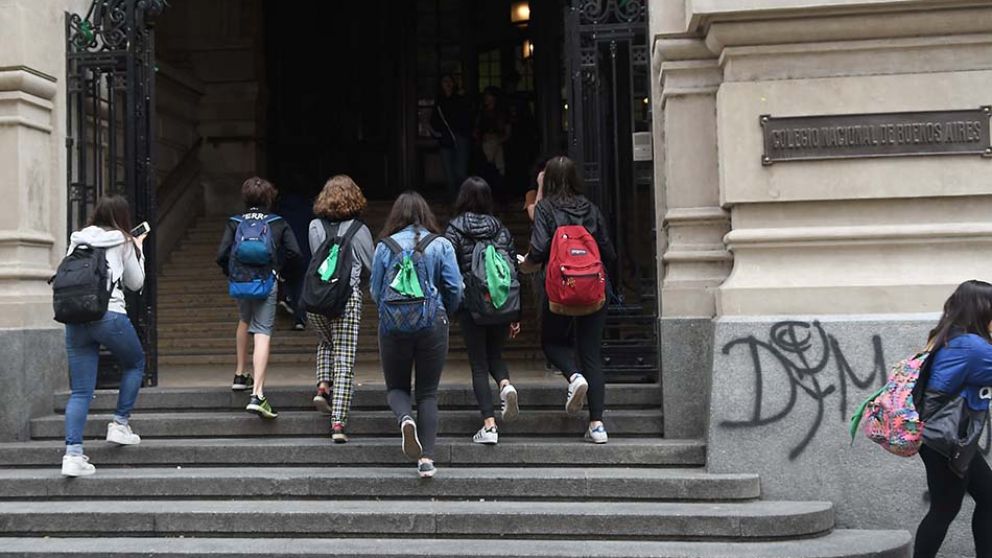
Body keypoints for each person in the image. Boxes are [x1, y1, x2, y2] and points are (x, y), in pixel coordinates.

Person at [519, 156, 616, 444]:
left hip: (560, 287)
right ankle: (597, 425)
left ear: (547, 181)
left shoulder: (546, 208)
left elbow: (537, 248)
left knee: (552, 343)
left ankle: (574, 377)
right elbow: (608, 250)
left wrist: (527, 263)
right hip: (594, 288)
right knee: (591, 353)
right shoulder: (590, 208)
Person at [371, 191, 462, 478]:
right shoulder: (441, 244)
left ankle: (405, 418)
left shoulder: (384, 247)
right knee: (428, 393)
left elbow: (375, 291)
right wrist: (446, 311)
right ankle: (426, 460)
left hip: (393, 325)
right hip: (433, 322)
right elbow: (456, 287)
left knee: (397, 387)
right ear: (426, 214)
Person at [61, 195, 147, 477]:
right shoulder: (122, 240)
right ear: (122, 217)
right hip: (109, 314)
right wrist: (138, 249)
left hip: (74, 318)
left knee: (81, 391)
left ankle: (73, 455)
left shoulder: (78, 239)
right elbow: (136, 283)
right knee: (135, 363)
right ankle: (120, 424)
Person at [912, 279, 992, 558]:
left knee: (988, 498)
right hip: (945, 440)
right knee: (944, 510)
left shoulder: (953, 337)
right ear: (982, 309)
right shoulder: (973, 346)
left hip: (951, 438)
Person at [444, 177, 521, 445]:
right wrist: (516, 313)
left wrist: (451, 305)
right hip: (500, 301)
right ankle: (505, 385)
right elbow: (512, 268)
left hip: (471, 303)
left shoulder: (453, 230)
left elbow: (449, 271)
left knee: (478, 364)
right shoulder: (500, 229)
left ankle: (489, 426)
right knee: (494, 354)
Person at [216, 176, 301, 419]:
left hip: (241, 282)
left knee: (244, 320)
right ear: (269, 198)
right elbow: (295, 252)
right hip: (266, 282)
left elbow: (221, 253)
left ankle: (240, 373)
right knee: (263, 331)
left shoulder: (235, 222)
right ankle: (257, 394)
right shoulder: (277, 222)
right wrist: (278, 270)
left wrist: (232, 273)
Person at [306, 175, 374, 443]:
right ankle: (338, 422)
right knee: (344, 359)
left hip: (317, 296)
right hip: (347, 298)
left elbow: (317, 257)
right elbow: (369, 265)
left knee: (326, 340)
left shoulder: (314, 226)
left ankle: (323, 387)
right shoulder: (360, 230)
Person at [431, 74, 472, 199]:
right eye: (445, 81)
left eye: (450, 81)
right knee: (449, 174)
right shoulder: (439, 102)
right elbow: (434, 121)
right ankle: (453, 201)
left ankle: (465, 199)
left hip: (460, 137)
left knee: (461, 172)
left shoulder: (460, 100)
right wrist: (438, 134)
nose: (448, 84)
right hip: (445, 139)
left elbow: (467, 118)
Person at [475, 86, 510, 180]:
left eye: (489, 96)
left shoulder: (502, 113)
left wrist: (497, 139)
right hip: (485, 144)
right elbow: (477, 130)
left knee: (499, 162)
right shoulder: (481, 113)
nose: (486, 98)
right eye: (485, 96)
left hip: (498, 143)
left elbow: (507, 132)